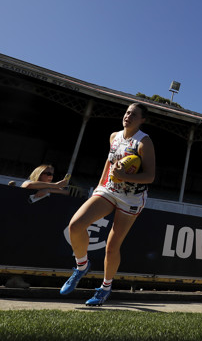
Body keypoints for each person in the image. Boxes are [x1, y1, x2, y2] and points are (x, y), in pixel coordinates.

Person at [59, 103, 155, 306]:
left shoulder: (144, 142)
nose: (128, 116)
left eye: (134, 114)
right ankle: (82, 266)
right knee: (75, 225)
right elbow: (109, 163)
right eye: (127, 112)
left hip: (131, 198)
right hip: (109, 189)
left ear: (142, 120)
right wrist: (99, 186)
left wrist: (124, 176)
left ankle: (105, 288)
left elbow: (150, 176)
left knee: (112, 247)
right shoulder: (114, 136)